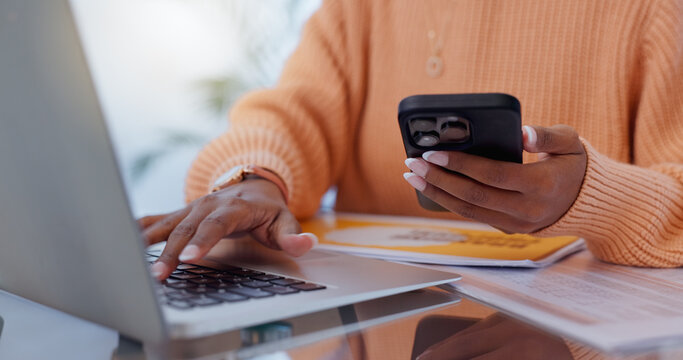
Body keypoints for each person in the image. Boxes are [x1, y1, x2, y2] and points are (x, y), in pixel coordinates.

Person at [140, 0, 683, 281]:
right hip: (378, 323)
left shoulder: (655, 13)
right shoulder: (360, 9)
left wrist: (593, 196)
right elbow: (294, 111)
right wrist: (259, 178)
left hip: (571, 334)